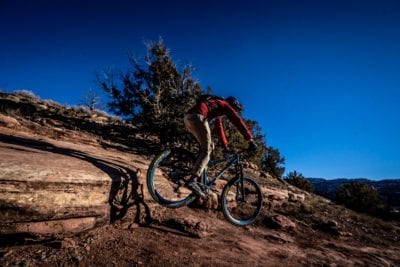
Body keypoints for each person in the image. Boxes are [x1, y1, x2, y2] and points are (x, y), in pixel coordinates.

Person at [184, 95, 257, 198]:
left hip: (188, 118)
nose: (234, 111)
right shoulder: (225, 105)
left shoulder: (217, 106)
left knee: (209, 147)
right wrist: (250, 139)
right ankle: (193, 180)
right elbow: (237, 121)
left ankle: (202, 177)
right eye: (235, 109)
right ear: (232, 105)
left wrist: (225, 145)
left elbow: (219, 128)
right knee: (207, 149)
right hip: (198, 117)